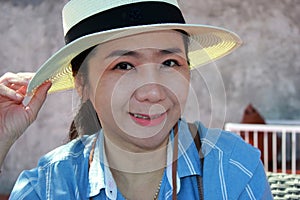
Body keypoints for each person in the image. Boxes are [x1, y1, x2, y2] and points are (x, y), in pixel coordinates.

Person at [0, 0, 272, 199]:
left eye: (170, 62)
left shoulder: (233, 169)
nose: (153, 93)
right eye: (124, 66)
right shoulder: (48, 187)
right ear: (82, 82)